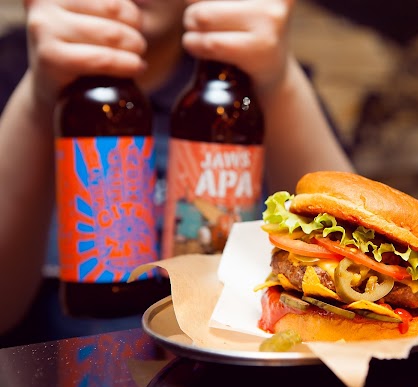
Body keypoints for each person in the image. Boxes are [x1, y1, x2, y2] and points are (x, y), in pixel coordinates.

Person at [0, 0, 354, 337]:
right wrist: (38, 97)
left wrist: (279, 82)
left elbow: (350, 242)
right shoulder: (12, 68)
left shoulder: (253, 86)